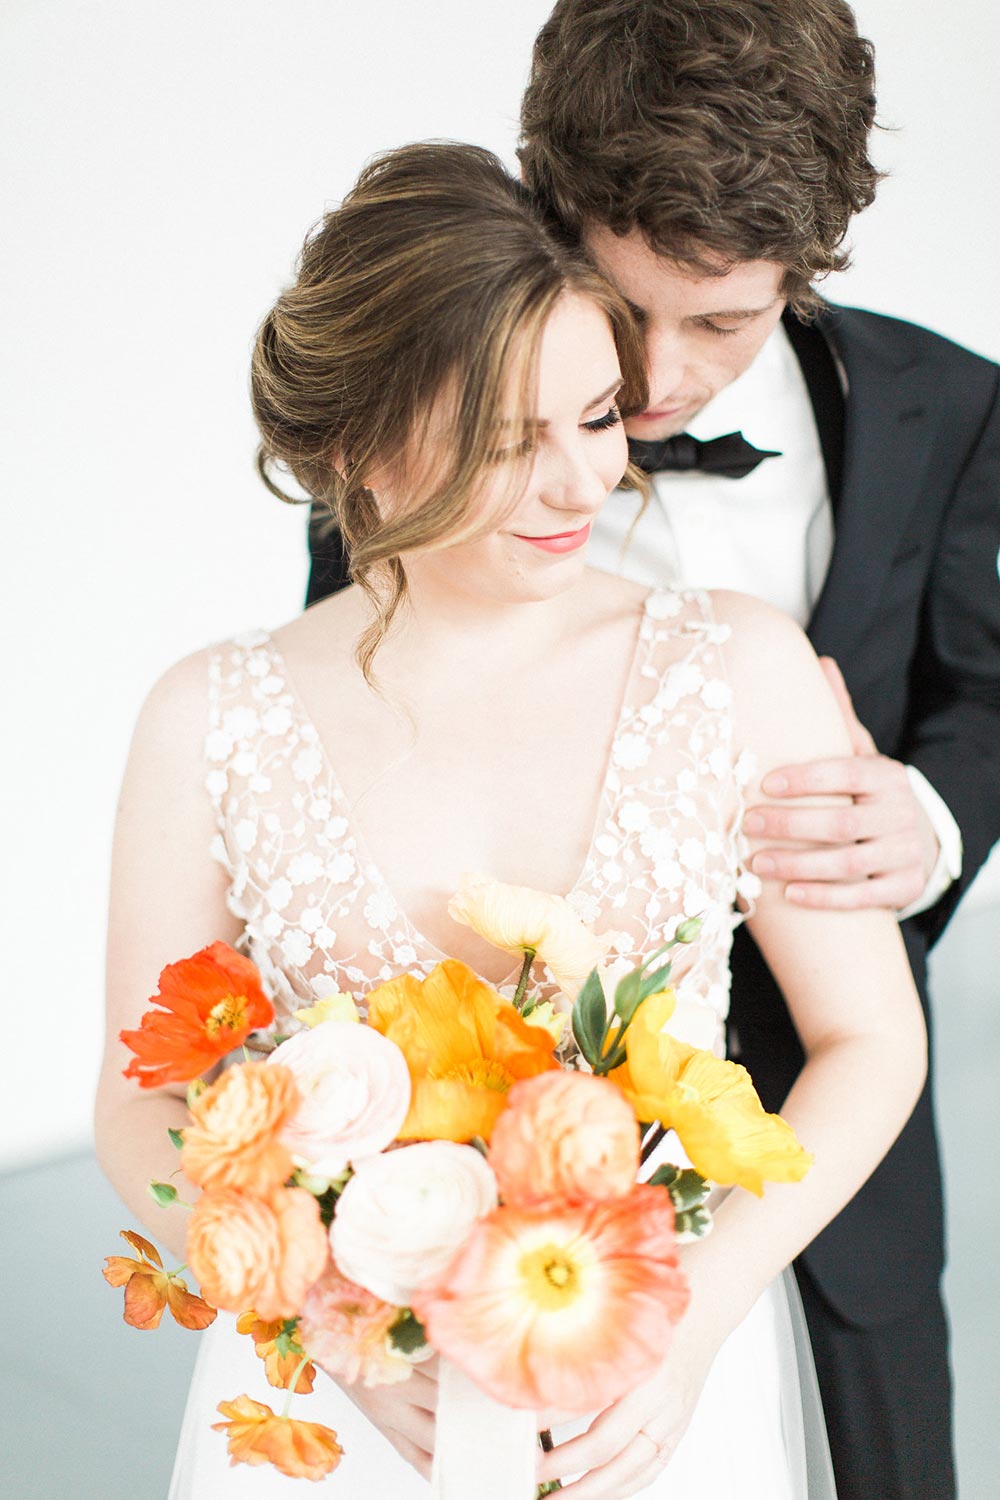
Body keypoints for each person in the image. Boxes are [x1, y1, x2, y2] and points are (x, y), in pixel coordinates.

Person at [97, 142, 926, 1499]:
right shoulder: (208, 715)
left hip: (642, 1387)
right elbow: (139, 1105)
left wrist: (700, 1311)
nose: (579, 486)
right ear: (360, 449)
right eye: (506, 442)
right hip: (347, 1413)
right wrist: (322, 1315)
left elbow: (870, 1037)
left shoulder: (737, 666)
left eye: (596, 420)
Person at [308, 6, 1000, 1496]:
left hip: (840, 1084)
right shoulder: (422, 443)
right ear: (548, 207)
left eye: (725, 322)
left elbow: (984, 692)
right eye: (625, 314)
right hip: (501, 1138)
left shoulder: (948, 407)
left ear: (804, 275)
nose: (662, 381)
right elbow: (347, 739)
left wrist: (930, 823)